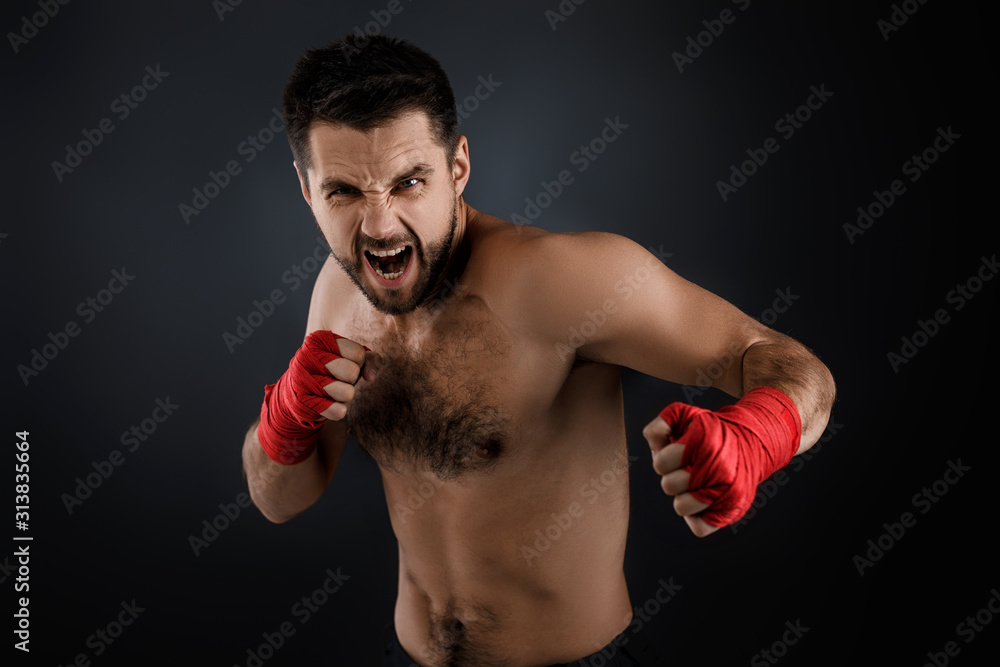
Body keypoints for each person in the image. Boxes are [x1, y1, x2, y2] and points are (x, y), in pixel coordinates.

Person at [240, 34, 836, 667]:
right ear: (308, 192)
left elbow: (789, 365)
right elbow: (278, 500)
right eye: (345, 193)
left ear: (458, 168)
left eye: (409, 182)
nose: (382, 225)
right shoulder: (337, 296)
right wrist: (281, 426)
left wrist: (760, 434)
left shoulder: (561, 283)